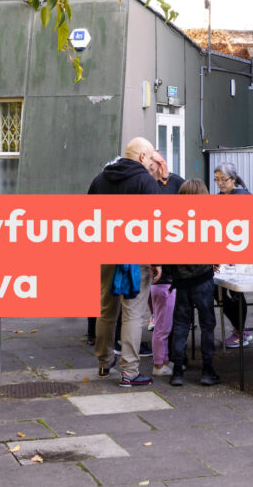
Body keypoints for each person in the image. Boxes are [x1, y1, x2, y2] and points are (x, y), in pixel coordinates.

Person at [87, 137, 161, 387]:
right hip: (136, 257)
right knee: (133, 313)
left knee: (106, 309)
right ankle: (129, 370)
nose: (152, 162)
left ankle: (103, 362)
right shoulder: (145, 182)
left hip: (107, 253)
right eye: (151, 157)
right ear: (141, 157)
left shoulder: (100, 179)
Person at [167, 178, 220, 386]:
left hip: (181, 281)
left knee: (180, 324)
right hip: (203, 279)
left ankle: (177, 371)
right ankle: (208, 370)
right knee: (207, 324)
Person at [213, 162, 252, 348]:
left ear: (233, 179)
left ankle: (240, 331)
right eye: (217, 180)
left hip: (238, 254)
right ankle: (239, 329)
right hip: (222, 254)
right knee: (220, 291)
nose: (220, 183)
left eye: (223, 179)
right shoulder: (220, 196)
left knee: (236, 293)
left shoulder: (242, 197)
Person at [149, 153, 180, 374]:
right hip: (164, 279)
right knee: (163, 325)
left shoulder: (176, 182)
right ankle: (159, 364)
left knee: (163, 323)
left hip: (161, 277)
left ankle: (165, 361)